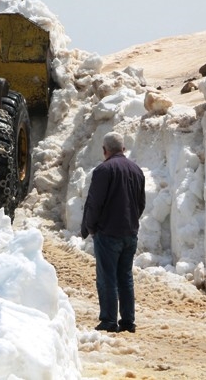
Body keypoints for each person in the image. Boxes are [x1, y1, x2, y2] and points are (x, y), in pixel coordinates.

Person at [81, 132, 146, 333]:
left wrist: (89, 226)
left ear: (104, 150)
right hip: (130, 232)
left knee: (107, 277)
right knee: (125, 276)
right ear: (123, 149)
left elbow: (94, 202)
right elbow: (141, 203)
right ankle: (128, 321)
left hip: (108, 233)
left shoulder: (103, 170)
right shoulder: (137, 170)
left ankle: (109, 320)